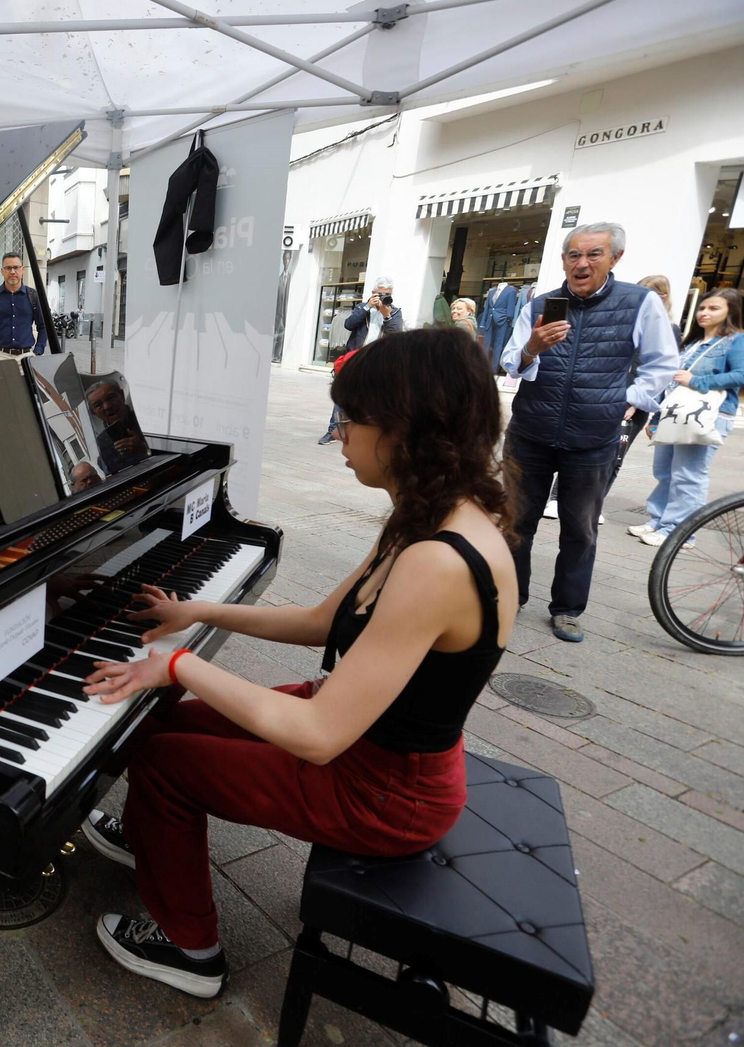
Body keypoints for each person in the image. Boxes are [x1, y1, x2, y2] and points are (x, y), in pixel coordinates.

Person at [76, 329, 515, 998]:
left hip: (387, 790)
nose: (337, 434)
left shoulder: (438, 560)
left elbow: (318, 736)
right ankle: (151, 840)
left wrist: (174, 668)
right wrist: (199, 612)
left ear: (403, 429)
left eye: (348, 419)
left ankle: (190, 948)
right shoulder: (428, 519)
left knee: (164, 758)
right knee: (158, 727)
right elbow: (320, 623)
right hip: (362, 738)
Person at [498, 222, 678, 643]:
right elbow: (510, 362)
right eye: (573, 255)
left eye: (593, 254)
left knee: (579, 528)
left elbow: (662, 363)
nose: (582, 264)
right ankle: (510, 595)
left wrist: (624, 400)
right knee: (515, 522)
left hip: (593, 438)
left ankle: (567, 609)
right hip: (530, 431)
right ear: (562, 260)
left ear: (615, 258)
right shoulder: (542, 303)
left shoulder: (640, 303)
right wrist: (532, 349)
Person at [540, 274, 675, 524]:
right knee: (578, 446)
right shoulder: (624, 319)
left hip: (633, 402)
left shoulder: (668, 329)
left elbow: (659, 368)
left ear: (663, 298)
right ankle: (558, 498)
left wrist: (633, 401)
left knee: (615, 456)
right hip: (604, 397)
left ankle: (593, 504)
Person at [629, 288, 744, 546]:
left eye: (713, 308)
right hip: (676, 413)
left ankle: (678, 531)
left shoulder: (739, 341)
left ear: (730, 312)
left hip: (708, 415)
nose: (705, 313)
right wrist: (656, 418)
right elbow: (671, 383)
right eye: (702, 308)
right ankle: (659, 520)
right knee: (665, 471)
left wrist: (698, 380)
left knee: (689, 474)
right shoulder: (693, 343)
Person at [319, 276, 401, 444]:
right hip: (356, 359)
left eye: (387, 294)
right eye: (380, 294)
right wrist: (367, 307)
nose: (384, 297)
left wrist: (387, 316)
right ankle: (334, 431)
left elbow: (396, 335)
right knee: (343, 397)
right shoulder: (363, 308)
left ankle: (365, 434)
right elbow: (349, 324)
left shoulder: (394, 312)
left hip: (378, 361)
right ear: (373, 293)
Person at [0, 251, 47, 363]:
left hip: (26, 357)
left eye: (16, 267)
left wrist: (37, 351)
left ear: (22, 270)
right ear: (2, 271)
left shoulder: (33, 296)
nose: (12, 271)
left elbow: (43, 327)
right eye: (8, 268)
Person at [87, 379, 150, 473]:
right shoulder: (99, 446)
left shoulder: (149, 420)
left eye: (110, 397)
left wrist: (145, 450)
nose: (107, 406)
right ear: (93, 413)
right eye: (98, 404)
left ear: (122, 395)